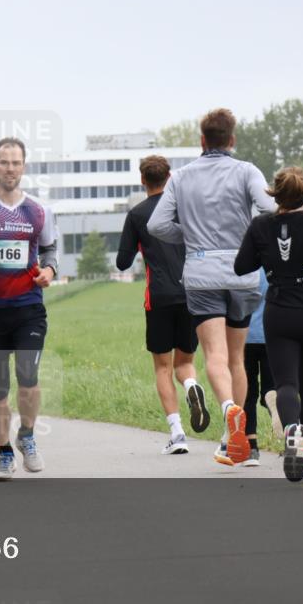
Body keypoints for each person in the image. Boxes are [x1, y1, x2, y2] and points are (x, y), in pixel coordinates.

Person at [147, 108, 276, 466]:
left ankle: (229, 409)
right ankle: (237, 441)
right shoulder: (247, 171)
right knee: (238, 359)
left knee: (215, 357)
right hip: (242, 272)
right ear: (231, 140)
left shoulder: (182, 177)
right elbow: (269, 206)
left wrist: (187, 236)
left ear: (202, 140)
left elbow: (158, 225)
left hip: (202, 272)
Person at [235, 167, 303, 481]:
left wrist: (268, 256)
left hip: (279, 312)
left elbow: (242, 266)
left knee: (286, 385)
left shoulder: (260, 225)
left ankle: (292, 428)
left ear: (275, 195)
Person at [0, 138, 58, 480]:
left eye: (16, 162)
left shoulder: (38, 209)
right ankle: (4, 453)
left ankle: (28, 437)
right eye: (4, 162)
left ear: (24, 166)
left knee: (28, 376)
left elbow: (49, 251)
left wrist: (49, 272)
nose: (10, 168)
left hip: (28, 306)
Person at [116, 155, 208, 457]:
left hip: (158, 297)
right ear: (169, 177)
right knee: (185, 363)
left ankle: (177, 432)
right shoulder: (184, 209)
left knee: (163, 367)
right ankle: (192, 384)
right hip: (192, 293)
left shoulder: (137, 215)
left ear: (143, 180)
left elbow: (122, 262)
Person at [242, 274, 281, 462]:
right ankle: (276, 411)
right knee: (271, 390)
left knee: (247, 393)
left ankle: (252, 450)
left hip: (244, 337)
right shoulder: (271, 266)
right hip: (270, 335)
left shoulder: (242, 266)